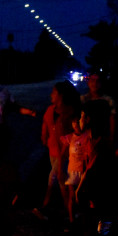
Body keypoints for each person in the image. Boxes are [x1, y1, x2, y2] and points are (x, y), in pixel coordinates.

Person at [75, 99, 118, 236]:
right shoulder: (91, 139)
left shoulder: (101, 143)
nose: (80, 119)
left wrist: (79, 191)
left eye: (83, 116)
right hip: (95, 202)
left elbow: (90, 172)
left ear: (91, 118)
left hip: (105, 203)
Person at [33, 81, 79, 222]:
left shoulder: (70, 112)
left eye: (54, 92)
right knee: (61, 181)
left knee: (55, 177)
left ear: (61, 95)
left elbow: (73, 134)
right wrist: (44, 136)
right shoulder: (51, 110)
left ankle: (47, 208)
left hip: (65, 153)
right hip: (52, 150)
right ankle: (70, 211)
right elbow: (46, 124)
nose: (51, 94)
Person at [81, 71, 116, 143]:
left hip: (103, 139)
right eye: (92, 80)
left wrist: (111, 138)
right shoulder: (83, 100)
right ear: (88, 83)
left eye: (98, 81)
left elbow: (112, 119)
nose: (95, 83)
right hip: (86, 140)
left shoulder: (109, 100)